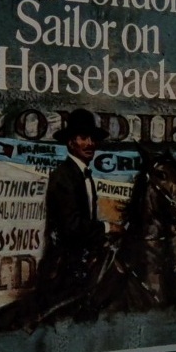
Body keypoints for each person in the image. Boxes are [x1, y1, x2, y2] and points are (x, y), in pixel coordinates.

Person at [36, 108, 118, 322]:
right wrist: (107, 227)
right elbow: (72, 227)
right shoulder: (63, 177)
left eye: (93, 139)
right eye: (83, 138)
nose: (90, 144)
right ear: (71, 143)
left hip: (81, 261)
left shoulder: (83, 175)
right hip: (64, 269)